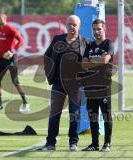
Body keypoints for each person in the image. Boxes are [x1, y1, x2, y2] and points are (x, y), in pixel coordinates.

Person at [40, 15, 90, 151]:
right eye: (69, 24)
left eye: (74, 25)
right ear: (66, 25)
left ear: (79, 26)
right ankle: (50, 143)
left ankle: (73, 143)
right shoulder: (58, 39)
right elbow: (47, 57)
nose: (72, 27)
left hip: (76, 84)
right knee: (54, 113)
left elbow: (90, 63)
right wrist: (50, 76)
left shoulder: (85, 42)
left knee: (75, 114)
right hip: (58, 83)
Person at [81, 19, 114, 152]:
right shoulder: (89, 45)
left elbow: (106, 60)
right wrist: (97, 60)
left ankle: (107, 144)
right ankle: (94, 144)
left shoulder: (108, 44)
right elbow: (83, 64)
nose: (96, 31)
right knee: (92, 116)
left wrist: (92, 60)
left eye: (99, 29)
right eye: (94, 29)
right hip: (90, 85)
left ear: (104, 29)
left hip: (104, 85)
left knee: (106, 115)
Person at [0, 11, 30, 114]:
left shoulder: (10, 29)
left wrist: (12, 52)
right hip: (1, 58)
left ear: (5, 19)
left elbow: (21, 40)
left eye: (0, 18)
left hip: (11, 59)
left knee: (15, 81)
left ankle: (26, 103)